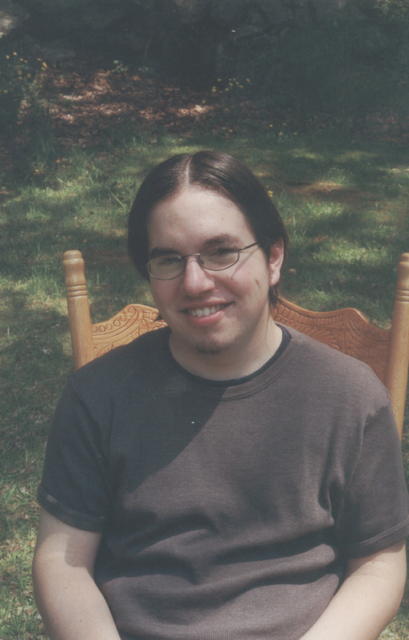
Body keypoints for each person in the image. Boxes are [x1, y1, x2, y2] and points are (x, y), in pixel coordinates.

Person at [33, 151, 409, 640]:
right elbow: (62, 561)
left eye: (221, 252)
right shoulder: (97, 395)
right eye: (169, 259)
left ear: (273, 258)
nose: (195, 283)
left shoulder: (350, 395)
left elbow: (379, 563)